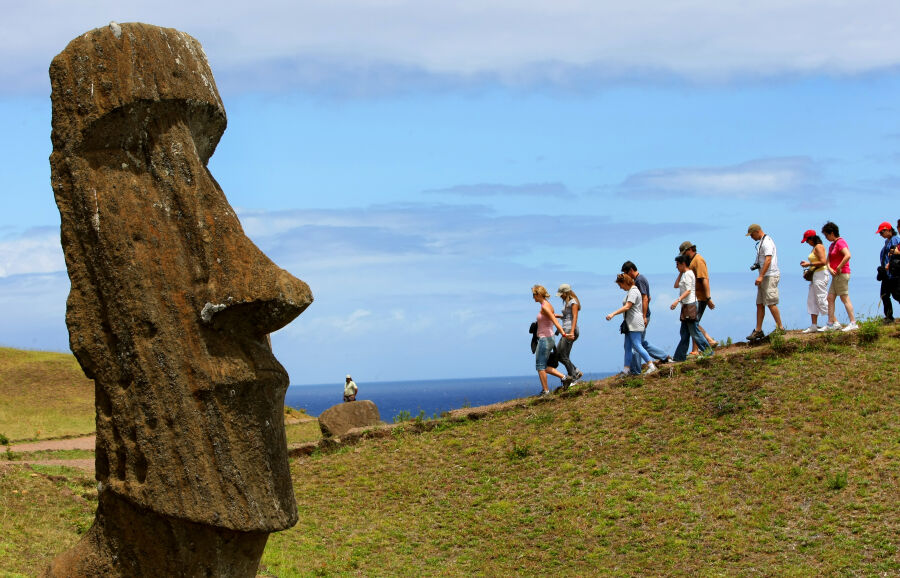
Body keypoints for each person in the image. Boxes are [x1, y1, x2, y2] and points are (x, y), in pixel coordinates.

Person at [621, 261, 671, 374]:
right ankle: (663, 357)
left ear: (630, 271)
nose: (626, 277)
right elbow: (648, 297)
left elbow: (645, 298)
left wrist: (643, 316)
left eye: (626, 273)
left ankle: (636, 370)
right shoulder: (640, 280)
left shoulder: (639, 280)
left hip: (641, 316)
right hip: (641, 315)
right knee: (639, 343)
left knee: (637, 344)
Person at [606, 274, 658, 376]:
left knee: (637, 345)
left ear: (625, 282)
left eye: (620, 285)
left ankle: (651, 365)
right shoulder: (630, 292)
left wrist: (613, 314)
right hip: (629, 323)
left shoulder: (634, 291)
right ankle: (626, 369)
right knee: (627, 346)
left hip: (635, 322)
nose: (620, 287)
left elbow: (627, 307)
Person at [532, 285, 573, 395]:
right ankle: (565, 378)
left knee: (540, 367)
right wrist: (560, 316)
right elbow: (551, 316)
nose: (533, 297)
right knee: (544, 366)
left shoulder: (544, 306)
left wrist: (564, 334)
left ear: (539, 294)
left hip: (544, 339)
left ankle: (546, 391)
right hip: (549, 338)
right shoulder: (547, 305)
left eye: (534, 295)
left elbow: (554, 321)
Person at [746, 224, 784, 340]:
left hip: (769, 275)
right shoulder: (761, 242)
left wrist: (761, 276)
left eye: (752, 234)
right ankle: (758, 330)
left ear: (757, 231)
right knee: (760, 303)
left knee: (771, 302)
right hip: (764, 275)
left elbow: (768, 259)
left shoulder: (767, 242)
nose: (751, 237)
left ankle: (780, 327)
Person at [670, 255, 712, 360]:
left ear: (683, 264)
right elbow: (675, 285)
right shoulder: (684, 274)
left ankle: (708, 351)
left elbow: (688, 291)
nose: (676, 267)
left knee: (694, 331)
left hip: (690, 305)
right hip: (685, 306)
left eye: (677, 265)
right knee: (684, 333)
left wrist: (677, 300)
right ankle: (679, 357)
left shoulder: (688, 274)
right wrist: (680, 272)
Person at [678, 241, 718, 350]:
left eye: (684, 253)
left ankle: (708, 341)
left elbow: (704, 279)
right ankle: (696, 349)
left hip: (700, 297)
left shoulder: (698, 260)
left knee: (693, 323)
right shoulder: (691, 261)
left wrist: (708, 298)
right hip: (693, 297)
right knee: (693, 322)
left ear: (690, 250)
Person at [821, 222, 857, 331]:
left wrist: (839, 267)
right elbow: (827, 261)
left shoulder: (840, 242)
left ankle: (853, 322)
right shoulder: (832, 245)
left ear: (832, 233)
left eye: (826, 235)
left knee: (844, 297)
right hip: (835, 275)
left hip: (842, 274)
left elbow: (848, 255)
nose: (826, 238)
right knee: (830, 298)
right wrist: (830, 268)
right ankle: (831, 323)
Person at [799, 230, 828, 332]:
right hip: (816, 275)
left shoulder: (819, 246)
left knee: (821, 298)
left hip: (821, 274)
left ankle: (832, 322)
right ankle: (814, 325)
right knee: (812, 300)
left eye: (807, 241)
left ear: (812, 239)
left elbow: (823, 261)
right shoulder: (814, 248)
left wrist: (809, 264)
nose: (807, 243)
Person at [555, 284, 584, 383]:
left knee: (562, 355)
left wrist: (571, 332)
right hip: (566, 329)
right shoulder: (567, 302)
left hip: (570, 330)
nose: (561, 296)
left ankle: (573, 377)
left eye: (561, 294)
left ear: (565, 293)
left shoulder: (573, 302)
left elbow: (575, 317)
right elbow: (567, 316)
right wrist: (558, 316)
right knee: (559, 355)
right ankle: (575, 371)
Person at [876, 221, 900, 323]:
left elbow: (894, 252)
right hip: (886, 274)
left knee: (897, 294)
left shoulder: (894, 239)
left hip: (893, 273)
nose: (881, 235)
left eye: (882, 232)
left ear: (889, 230)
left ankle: (889, 317)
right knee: (884, 295)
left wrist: (889, 264)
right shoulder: (887, 241)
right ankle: (889, 317)